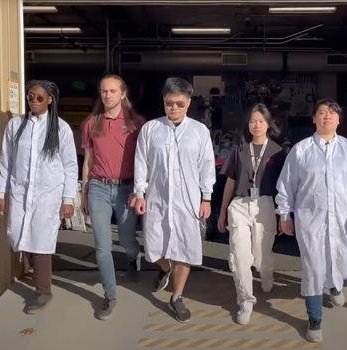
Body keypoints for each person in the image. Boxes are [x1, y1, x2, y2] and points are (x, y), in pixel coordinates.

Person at [275, 99, 347, 343]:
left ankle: (336, 286)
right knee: (313, 268)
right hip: (311, 222)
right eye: (322, 113)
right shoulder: (301, 151)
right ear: (314, 118)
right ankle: (314, 319)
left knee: (342, 258)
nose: (327, 117)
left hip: (344, 221)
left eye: (332, 113)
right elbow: (287, 185)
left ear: (339, 120)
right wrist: (284, 214)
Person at [131, 77, 216, 323]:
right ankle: (164, 269)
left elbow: (206, 167)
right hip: (157, 200)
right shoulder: (151, 129)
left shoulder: (199, 131)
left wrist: (206, 198)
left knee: (186, 250)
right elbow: (141, 163)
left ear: (188, 103)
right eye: (169, 103)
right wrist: (140, 193)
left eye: (179, 103)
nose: (174, 108)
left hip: (188, 201)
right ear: (163, 102)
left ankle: (177, 297)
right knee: (155, 246)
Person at [0, 80, 78, 314]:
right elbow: (6, 161)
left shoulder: (60, 128)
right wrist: (1, 193)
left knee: (42, 238)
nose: (34, 100)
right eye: (30, 96)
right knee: (17, 232)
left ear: (50, 99)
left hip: (48, 193)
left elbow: (70, 165)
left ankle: (43, 291)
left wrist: (68, 199)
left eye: (39, 97)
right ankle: (35, 272)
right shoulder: (15, 125)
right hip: (21, 191)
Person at [81, 74, 146, 320]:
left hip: (126, 189)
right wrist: (84, 192)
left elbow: (145, 160)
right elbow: (87, 162)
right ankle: (110, 295)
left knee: (128, 241)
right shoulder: (91, 123)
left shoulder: (136, 123)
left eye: (112, 91)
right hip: (98, 187)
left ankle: (133, 259)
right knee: (102, 246)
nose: (107, 95)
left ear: (123, 94)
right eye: (103, 91)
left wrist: (142, 191)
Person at [217, 103, 286, 325]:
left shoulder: (277, 152)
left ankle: (266, 271)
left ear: (268, 124)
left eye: (260, 121)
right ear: (248, 125)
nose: (256, 125)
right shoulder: (239, 151)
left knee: (261, 255)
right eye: (252, 121)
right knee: (240, 256)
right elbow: (230, 181)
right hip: (239, 205)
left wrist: (284, 214)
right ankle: (245, 301)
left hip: (265, 205)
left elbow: (285, 185)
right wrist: (222, 212)